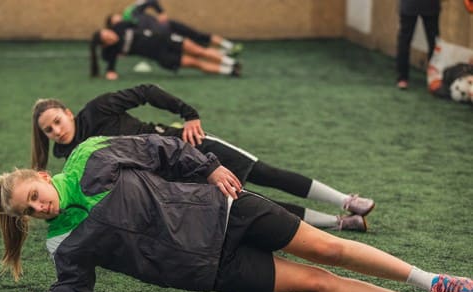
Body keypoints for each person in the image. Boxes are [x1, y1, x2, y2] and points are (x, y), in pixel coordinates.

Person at [0, 135, 472, 292]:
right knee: (316, 283)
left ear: (40, 177)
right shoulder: (63, 242)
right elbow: (75, 286)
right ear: (28, 221)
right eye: (30, 212)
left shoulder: (89, 156)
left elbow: (161, 149)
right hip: (206, 267)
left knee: (329, 248)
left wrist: (208, 168)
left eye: (35, 196)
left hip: (221, 211)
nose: (41, 206)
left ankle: (433, 280)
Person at [30, 84, 375, 232]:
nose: (56, 130)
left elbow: (146, 92)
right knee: (252, 201)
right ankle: (340, 223)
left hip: (188, 143)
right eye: (48, 130)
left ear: (68, 113)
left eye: (57, 121)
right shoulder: (73, 159)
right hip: (175, 180)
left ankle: (347, 200)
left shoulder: (98, 108)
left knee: (264, 173)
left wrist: (189, 114)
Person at [90, 16, 241, 80]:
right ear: (105, 44)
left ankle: (231, 62)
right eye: (106, 38)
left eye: (108, 32)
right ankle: (230, 71)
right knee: (196, 63)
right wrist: (110, 74)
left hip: (165, 39)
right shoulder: (111, 51)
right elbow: (111, 68)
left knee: (199, 50)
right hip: (160, 56)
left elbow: (141, 22)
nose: (110, 35)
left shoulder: (120, 26)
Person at [107, 0, 242, 56]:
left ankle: (229, 45)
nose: (117, 21)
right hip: (162, 37)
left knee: (198, 35)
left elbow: (150, 1)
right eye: (114, 23)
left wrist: (161, 13)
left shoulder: (129, 12)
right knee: (193, 48)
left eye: (116, 18)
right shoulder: (124, 32)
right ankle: (222, 54)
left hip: (167, 25)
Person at [396, 0, 440, 89]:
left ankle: (402, 78)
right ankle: (434, 79)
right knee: (433, 41)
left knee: (405, 40)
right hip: (428, 5)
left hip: (413, 5)